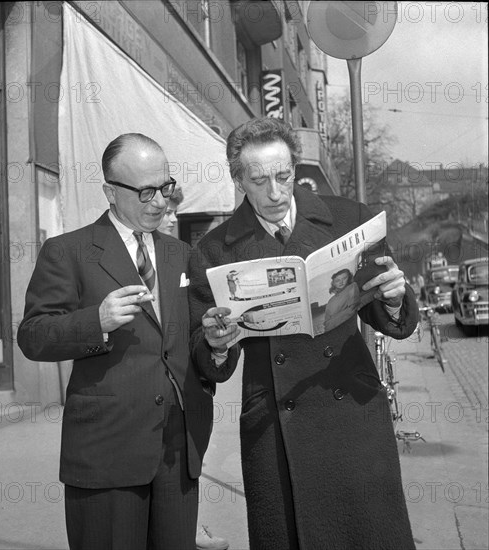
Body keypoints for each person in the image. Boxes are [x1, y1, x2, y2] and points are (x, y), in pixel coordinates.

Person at [188, 117, 419, 550]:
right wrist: (216, 344)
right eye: (258, 181)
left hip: (350, 408)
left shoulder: (350, 219)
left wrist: (392, 296)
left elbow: (395, 320)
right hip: (276, 423)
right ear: (239, 180)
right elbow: (206, 355)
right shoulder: (213, 251)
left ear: (296, 168)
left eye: (284, 176)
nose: (275, 193)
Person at [17, 133, 229, 550]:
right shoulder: (68, 252)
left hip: (178, 450)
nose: (159, 202)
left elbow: (194, 343)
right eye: (146, 191)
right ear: (110, 192)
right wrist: (94, 321)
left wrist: (218, 344)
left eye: (165, 188)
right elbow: (32, 336)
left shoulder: (182, 255)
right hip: (106, 452)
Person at [156, 180, 231, 550]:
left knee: (183, 470)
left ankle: (191, 525)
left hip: (186, 396)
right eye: (168, 211)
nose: (171, 218)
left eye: (174, 211)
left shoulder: (186, 257)